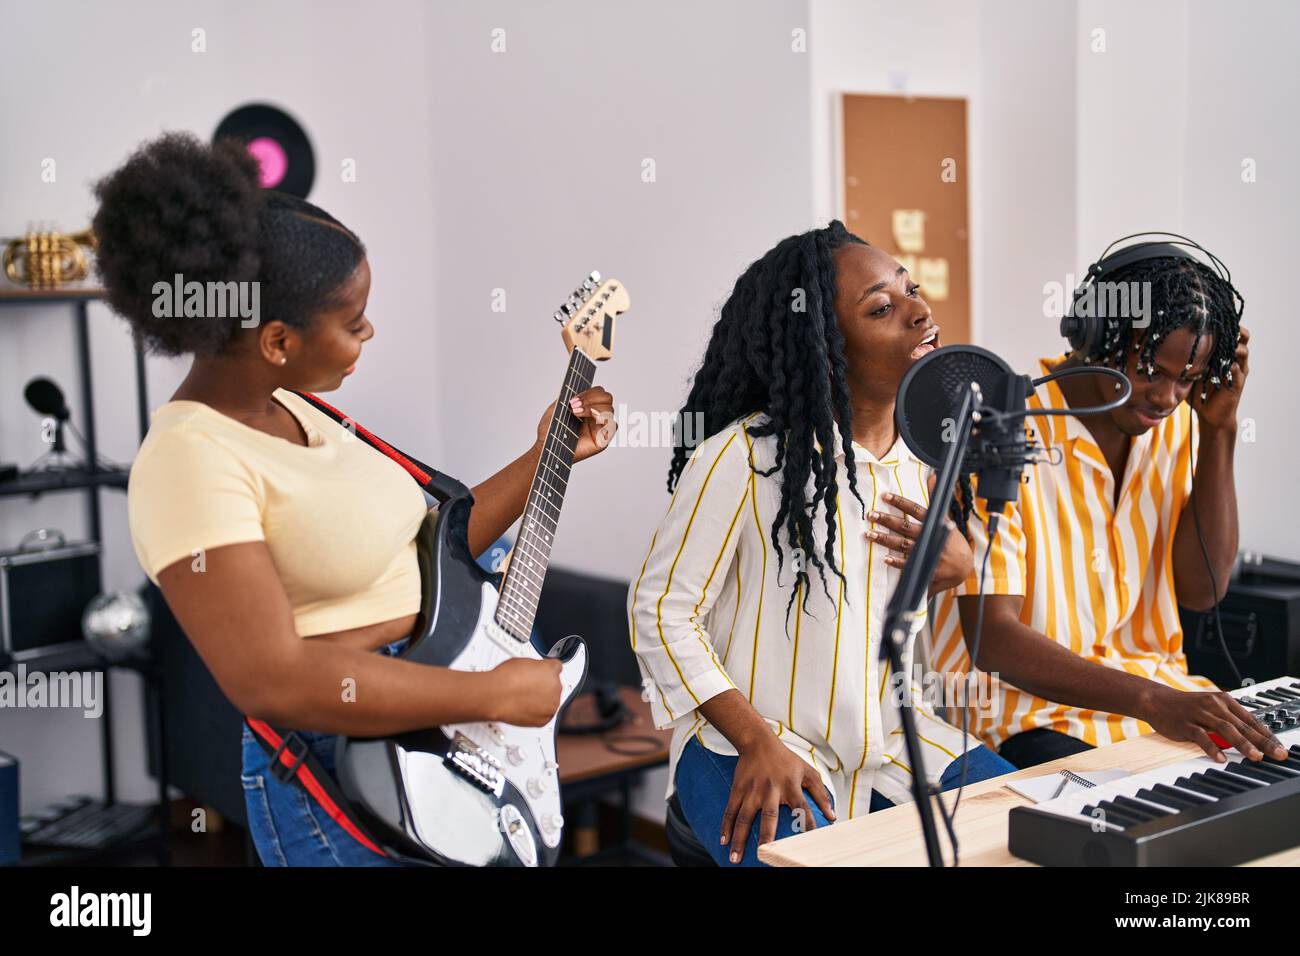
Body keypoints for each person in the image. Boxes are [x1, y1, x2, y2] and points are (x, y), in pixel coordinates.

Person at [95, 132, 616, 866]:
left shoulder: (301, 410)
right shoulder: (187, 460)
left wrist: (548, 456)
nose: (368, 331)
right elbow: (273, 678)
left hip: (446, 732)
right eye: (352, 320)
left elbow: (436, 552)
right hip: (347, 772)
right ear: (277, 339)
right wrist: (492, 696)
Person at [627, 221, 1015, 866]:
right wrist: (755, 741)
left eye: (912, 291)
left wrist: (959, 567)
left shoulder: (930, 460)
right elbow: (661, 611)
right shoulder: (745, 457)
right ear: (825, 344)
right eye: (882, 309)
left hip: (891, 739)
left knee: (1028, 835)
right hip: (750, 743)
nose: (920, 312)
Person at [930, 236, 1289, 770]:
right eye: (1150, 371)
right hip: (1031, 719)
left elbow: (1203, 592)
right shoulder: (1001, 431)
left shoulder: (1179, 426)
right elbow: (992, 639)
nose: (1167, 399)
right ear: (1095, 333)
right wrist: (1151, 699)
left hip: (1163, 704)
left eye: (1187, 380)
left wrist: (1219, 432)